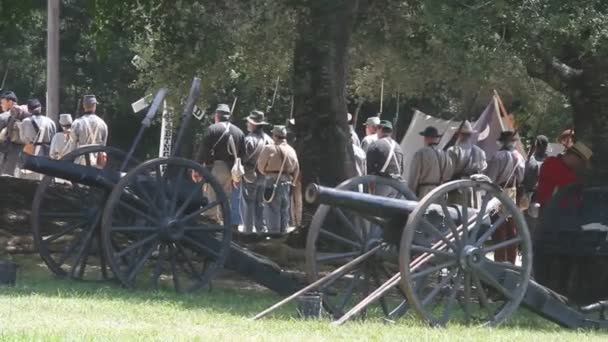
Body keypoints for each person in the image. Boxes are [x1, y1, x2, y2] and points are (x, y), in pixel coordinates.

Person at [195, 104, 245, 227]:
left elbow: (203, 150)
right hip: (231, 169)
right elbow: (243, 154)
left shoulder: (212, 129)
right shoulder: (239, 132)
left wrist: (196, 168)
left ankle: (211, 219)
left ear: (217, 115)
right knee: (226, 197)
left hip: (215, 166)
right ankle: (225, 222)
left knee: (211, 194)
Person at [484, 131, 525, 263]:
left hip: (498, 193)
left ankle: (500, 263)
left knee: (499, 232)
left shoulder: (498, 156)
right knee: (511, 231)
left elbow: (490, 179)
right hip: (512, 193)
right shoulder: (519, 156)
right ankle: (511, 264)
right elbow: (521, 177)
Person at [257, 125, 299, 234]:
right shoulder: (292, 150)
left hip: (272, 181)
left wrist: (267, 173)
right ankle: (283, 233)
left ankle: (273, 235)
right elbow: (296, 169)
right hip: (287, 182)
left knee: (271, 210)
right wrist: (293, 181)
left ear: (275, 136)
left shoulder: (269, 148)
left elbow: (260, 166)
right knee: (284, 210)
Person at [240, 110, 272, 234]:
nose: (247, 124)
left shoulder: (249, 140)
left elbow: (243, 158)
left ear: (253, 124)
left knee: (247, 203)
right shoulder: (269, 139)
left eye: (249, 122)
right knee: (260, 204)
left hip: (250, 175)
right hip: (264, 176)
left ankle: (247, 232)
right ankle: (261, 231)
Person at [535, 141, 592, 208]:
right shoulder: (554, 164)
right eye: (582, 162)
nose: (581, 166)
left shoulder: (553, 162)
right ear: (574, 156)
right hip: (550, 212)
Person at [408, 126, 453, 198]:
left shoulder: (421, 153)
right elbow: (448, 175)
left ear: (427, 138)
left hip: (424, 193)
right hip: (440, 191)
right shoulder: (445, 154)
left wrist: (410, 193)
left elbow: (414, 177)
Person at [0, 91, 31, 176]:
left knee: (5, 178)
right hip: (23, 152)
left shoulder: (4, 116)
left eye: (2, 102)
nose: (1, 105)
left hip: (7, 152)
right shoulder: (26, 115)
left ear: (9, 102)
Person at [522, 135, 549, 202]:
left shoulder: (536, 161)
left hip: (530, 195)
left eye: (535, 144)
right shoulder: (532, 157)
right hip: (528, 193)